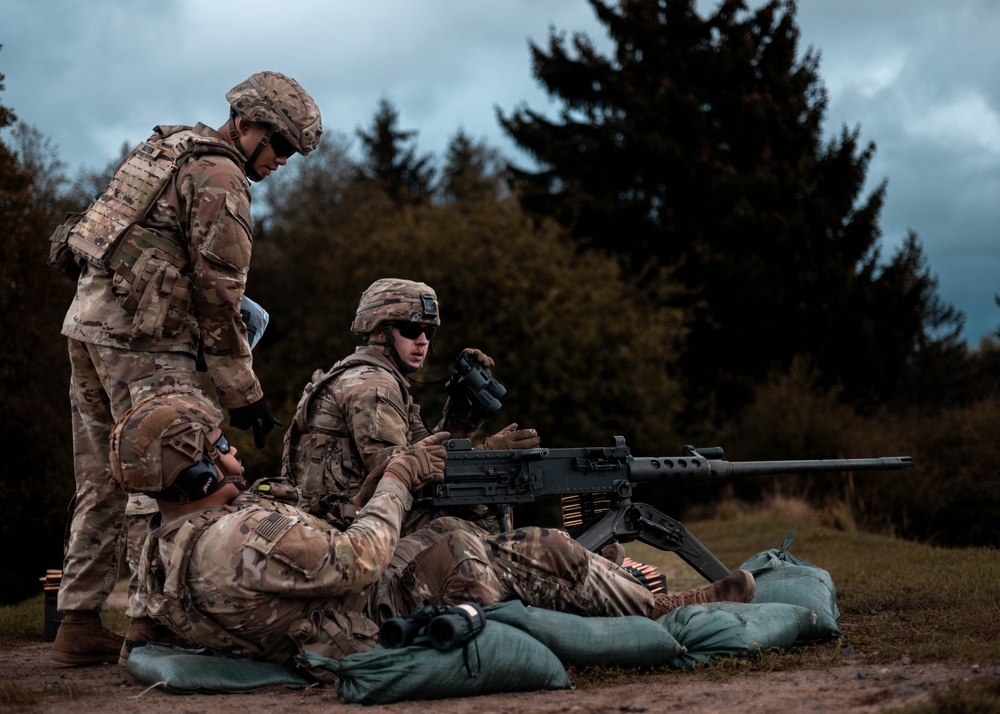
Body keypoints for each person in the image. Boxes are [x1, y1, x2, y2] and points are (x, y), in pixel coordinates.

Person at [109, 392, 757, 675]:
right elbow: (358, 558)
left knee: (449, 527)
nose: (230, 450)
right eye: (217, 442)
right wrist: (399, 472)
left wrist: (396, 481)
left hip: (313, 620)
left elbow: (142, 629)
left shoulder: (162, 546)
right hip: (364, 623)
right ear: (194, 466)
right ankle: (661, 610)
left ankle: (622, 582)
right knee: (532, 548)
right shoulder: (246, 532)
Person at [49, 71, 322, 666]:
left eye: (290, 152)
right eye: (277, 144)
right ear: (245, 124)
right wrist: (244, 394)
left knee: (100, 475)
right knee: (166, 476)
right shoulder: (222, 177)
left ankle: (78, 621)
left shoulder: (166, 148)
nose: (281, 161)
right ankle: (155, 624)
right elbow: (219, 298)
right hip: (147, 343)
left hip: (89, 327)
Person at [281, 278, 540, 535]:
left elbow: (424, 454)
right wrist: (486, 457)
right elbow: (400, 474)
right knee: (484, 510)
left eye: (429, 332)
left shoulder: (371, 375)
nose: (423, 341)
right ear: (379, 331)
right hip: (345, 525)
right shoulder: (375, 385)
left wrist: (461, 419)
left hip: (342, 514)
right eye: (411, 330)